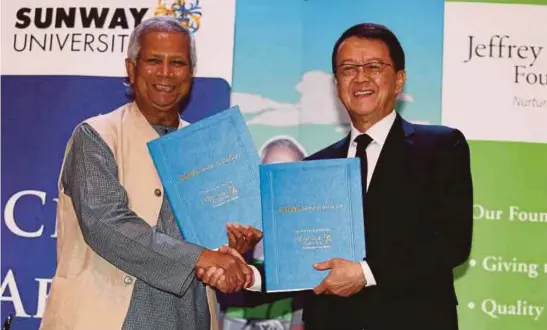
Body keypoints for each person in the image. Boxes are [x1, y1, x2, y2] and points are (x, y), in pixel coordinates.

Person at [228, 23, 473, 330]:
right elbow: (300, 264)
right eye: (348, 69)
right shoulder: (316, 165)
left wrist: (366, 273)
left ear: (399, 80)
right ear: (336, 83)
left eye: (373, 66)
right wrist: (249, 275)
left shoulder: (440, 147)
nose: (360, 78)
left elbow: (451, 243)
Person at [40, 16, 255, 330]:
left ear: (191, 73)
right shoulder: (96, 135)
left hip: (190, 319)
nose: (166, 73)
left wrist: (235, 249)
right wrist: (204, 259)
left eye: (177, 62)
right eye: (154, 60)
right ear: (131, 68)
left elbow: (217, 238)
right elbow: (107, 225)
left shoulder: (208, 149)